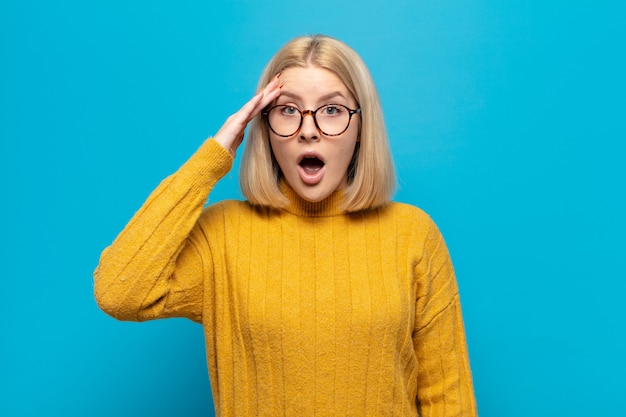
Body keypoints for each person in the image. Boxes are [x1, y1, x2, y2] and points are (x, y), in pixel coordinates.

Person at [94, 34, 478, 417]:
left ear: (362, 126)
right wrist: (213, 158)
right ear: (263, 124)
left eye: (332, 110)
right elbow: (119, 291)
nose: (308, 130)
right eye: (288, 110)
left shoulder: (412, 234)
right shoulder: (224, 234)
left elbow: (448, 397)